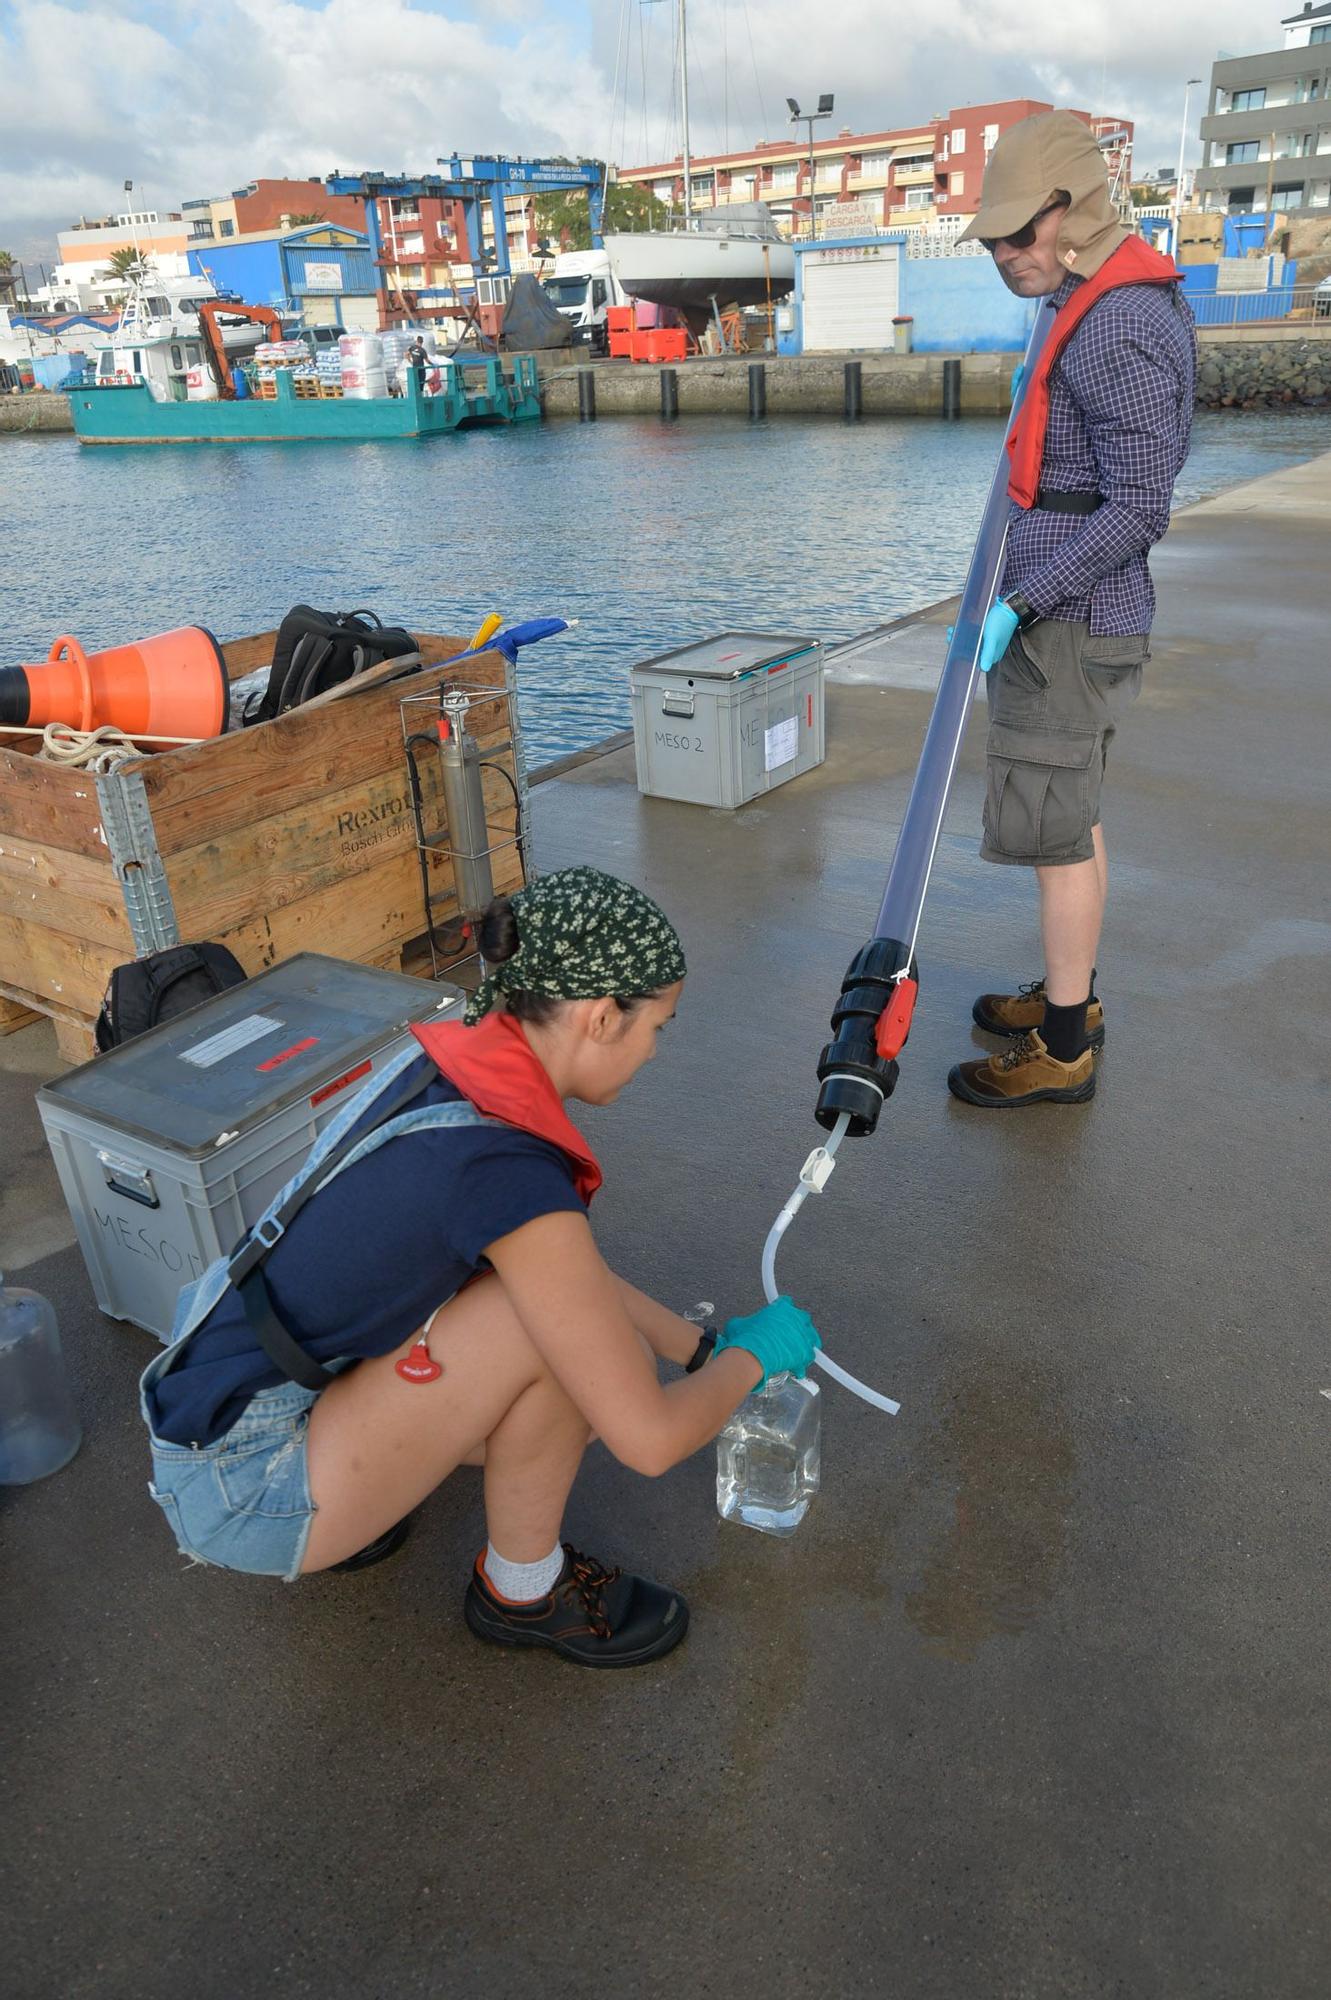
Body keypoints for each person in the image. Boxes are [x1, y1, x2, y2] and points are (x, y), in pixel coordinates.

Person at [138, 867, 821, 1669]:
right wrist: (750, 1360)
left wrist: (697, 1348)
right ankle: (521, 1594)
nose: (654, 1050)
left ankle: (362, 1483)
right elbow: (650, 1439)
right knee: (580, 1366)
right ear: (602, 1017)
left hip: (212, 1385)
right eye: (657, 1027)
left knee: (556, 1317)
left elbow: (562, 1277)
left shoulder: (455, 1068)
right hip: (241, 1483)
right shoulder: (505, 1172)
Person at [947, 111, 1196, 1109]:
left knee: (1053, 833)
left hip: (1067, 624)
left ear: (1071, 210)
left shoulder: (1116, 320)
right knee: (1071, 816)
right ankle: (1069, 995)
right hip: (1067, 616)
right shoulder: (1087, 295)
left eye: (1019, 232)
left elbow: (1140, 504)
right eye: (995, 235)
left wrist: (1021, 597)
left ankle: (1060, 1049)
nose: (1003, 253)